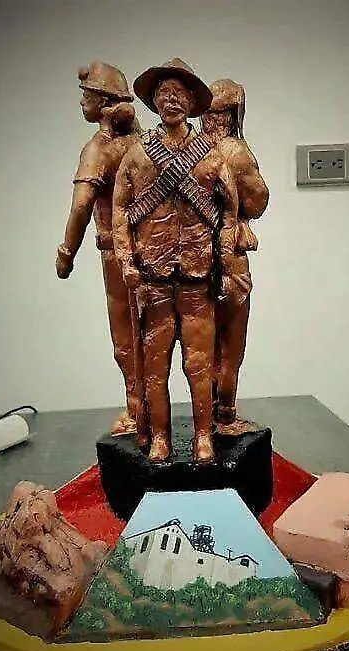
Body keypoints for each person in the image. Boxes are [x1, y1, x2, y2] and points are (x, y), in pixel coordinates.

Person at [111, 58, 223, 462]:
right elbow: (120, 211)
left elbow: (228, 213)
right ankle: (160, 437)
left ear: (192, 102)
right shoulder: (137, 155)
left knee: (199, 363)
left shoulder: (211, 154)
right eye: (164, 94)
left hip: (198, 277)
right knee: (155, 366)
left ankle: (203, 435)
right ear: (154, 101)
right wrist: (126, 261)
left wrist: (227, 261)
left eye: (179, 94)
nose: (171, 100)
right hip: (152, 277)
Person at [54, 62, 143, 436]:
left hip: (116, 255)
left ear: (103, 102)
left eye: (86, 95)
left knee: (126, 338)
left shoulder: (98, 149)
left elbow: (81, 206)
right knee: (153, 337)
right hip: (152, 252)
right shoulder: (142, 143)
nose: (81, 103)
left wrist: (66, 253)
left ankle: (138, 412)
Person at [200, 78, 269, 435]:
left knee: (201, 345)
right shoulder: (236, 152)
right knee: (230, 344)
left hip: (193, 261)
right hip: (229, 260)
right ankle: (224, 415)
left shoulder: (191, 151)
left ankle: (205, 420)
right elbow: (258, 202)